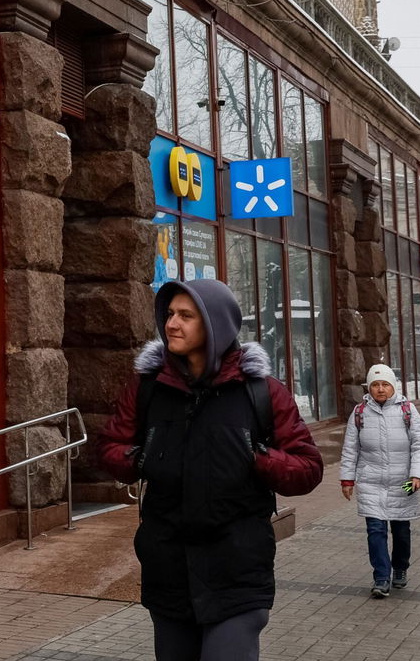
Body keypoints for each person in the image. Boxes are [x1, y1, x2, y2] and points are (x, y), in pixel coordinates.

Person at [99, 280, 323, 661]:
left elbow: (308, 468)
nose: (172, 324)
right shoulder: (147, 388)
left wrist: (256, 458)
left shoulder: (262, 392)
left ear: (215, 325)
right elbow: (108, 449)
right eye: (169, 314)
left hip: (236, 570)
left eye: (186, 316)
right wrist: (140, 459)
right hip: (168, 571)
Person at [338, 364, 420, 598]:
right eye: (375, 385)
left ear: (393, 387)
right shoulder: (360, 413)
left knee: (401, 530)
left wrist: (418, 474)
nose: (380, 389)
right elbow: (350, 449)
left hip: (404, 482)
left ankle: (400, 568)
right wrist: (347, 479)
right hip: (371, 482)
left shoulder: (407, 410)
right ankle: (381, 576)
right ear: (369, 388)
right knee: (375, 530)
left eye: (385, 385)